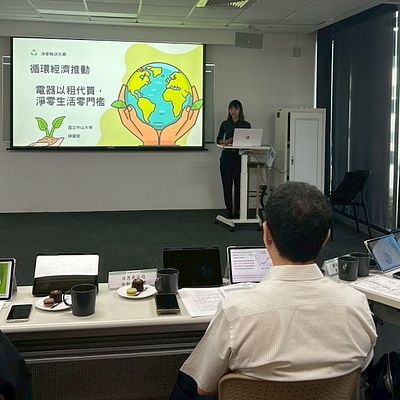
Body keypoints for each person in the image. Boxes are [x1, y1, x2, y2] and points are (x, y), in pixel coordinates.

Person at [170, 181, 377, 399]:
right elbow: (363, 366)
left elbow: (204, 388)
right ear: (326, 238)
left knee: (188, 383)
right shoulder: (357, 306)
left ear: (266, 233)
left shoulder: (235, 312)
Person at [216, 100, 251, 219]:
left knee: (239, 186)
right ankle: (229, 210)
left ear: (240, 110)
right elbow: (218, 140)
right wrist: (226, 141)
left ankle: (238, 210)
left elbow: (249, 140)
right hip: (226, 157)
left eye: (236, 108)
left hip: (240, 158)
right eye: (231, 109)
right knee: (227, 185)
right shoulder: (225, 124)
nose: (233, 111)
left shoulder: (246, 125)